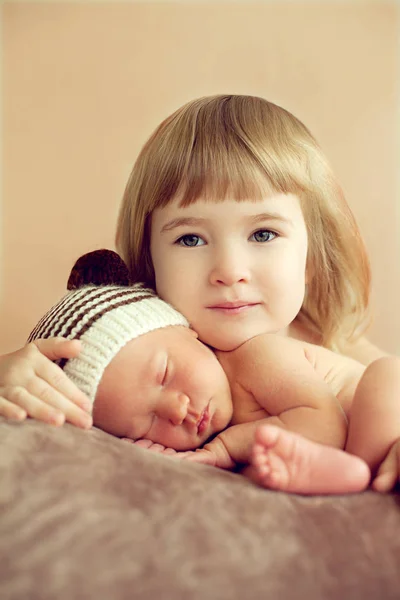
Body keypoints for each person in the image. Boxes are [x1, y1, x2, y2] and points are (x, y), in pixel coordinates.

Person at [0, 95, 396, 489]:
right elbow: (75, 372)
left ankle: (359, 467)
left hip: (363, 432)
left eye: (263, 233)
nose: (229, 271)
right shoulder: (141, 357)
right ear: (150, 264)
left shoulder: (334, 338)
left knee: (387, 379)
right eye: (191, 239)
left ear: (310, 259)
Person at [7, 249, 400, 495]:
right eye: (144, 425)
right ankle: (352, 476)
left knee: (385, 376)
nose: (175, 410)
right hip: (343, 456)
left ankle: (357, 471)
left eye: (164, 374)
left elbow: (325, 425)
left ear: (189, 331)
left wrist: (226, 451)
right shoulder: (207, 421)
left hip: (371, 417)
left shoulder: (253, 356)